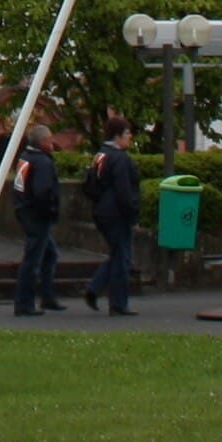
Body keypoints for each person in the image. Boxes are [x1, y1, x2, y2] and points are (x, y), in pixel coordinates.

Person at [88, 119, 143, 315]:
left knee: (117, 254)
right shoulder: (120, 159)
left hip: (102, 210)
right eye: (127, 133)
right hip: (116, 213)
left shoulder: (100, 155)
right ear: (117, 136)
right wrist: (133, 216)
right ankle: (118, 302)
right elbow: (124, 191)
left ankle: (95, 288)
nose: (130, 137)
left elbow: (90, 184)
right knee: (122, 258)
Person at [9, 134, 65, 316]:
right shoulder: (42, 163)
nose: (51, 142)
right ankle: (24, 303)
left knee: (49, 254)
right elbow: (42, 191)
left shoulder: (25, 157)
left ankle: (47, 296)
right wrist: (50, 210)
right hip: (37, 216)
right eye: (49, 139)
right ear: (41, 142)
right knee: (32, 259)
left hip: (25, 211)